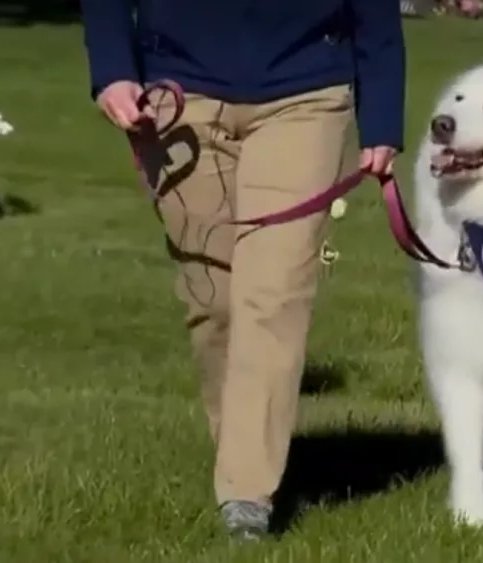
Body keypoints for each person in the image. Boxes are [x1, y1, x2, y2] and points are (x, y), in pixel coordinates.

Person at [80, 0, 406, 540]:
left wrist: (382, 115)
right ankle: (241, 447)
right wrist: (114, 71)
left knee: (273, 294)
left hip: (305, 93)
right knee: (213, 301)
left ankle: (246, 495)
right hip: (178, 93)